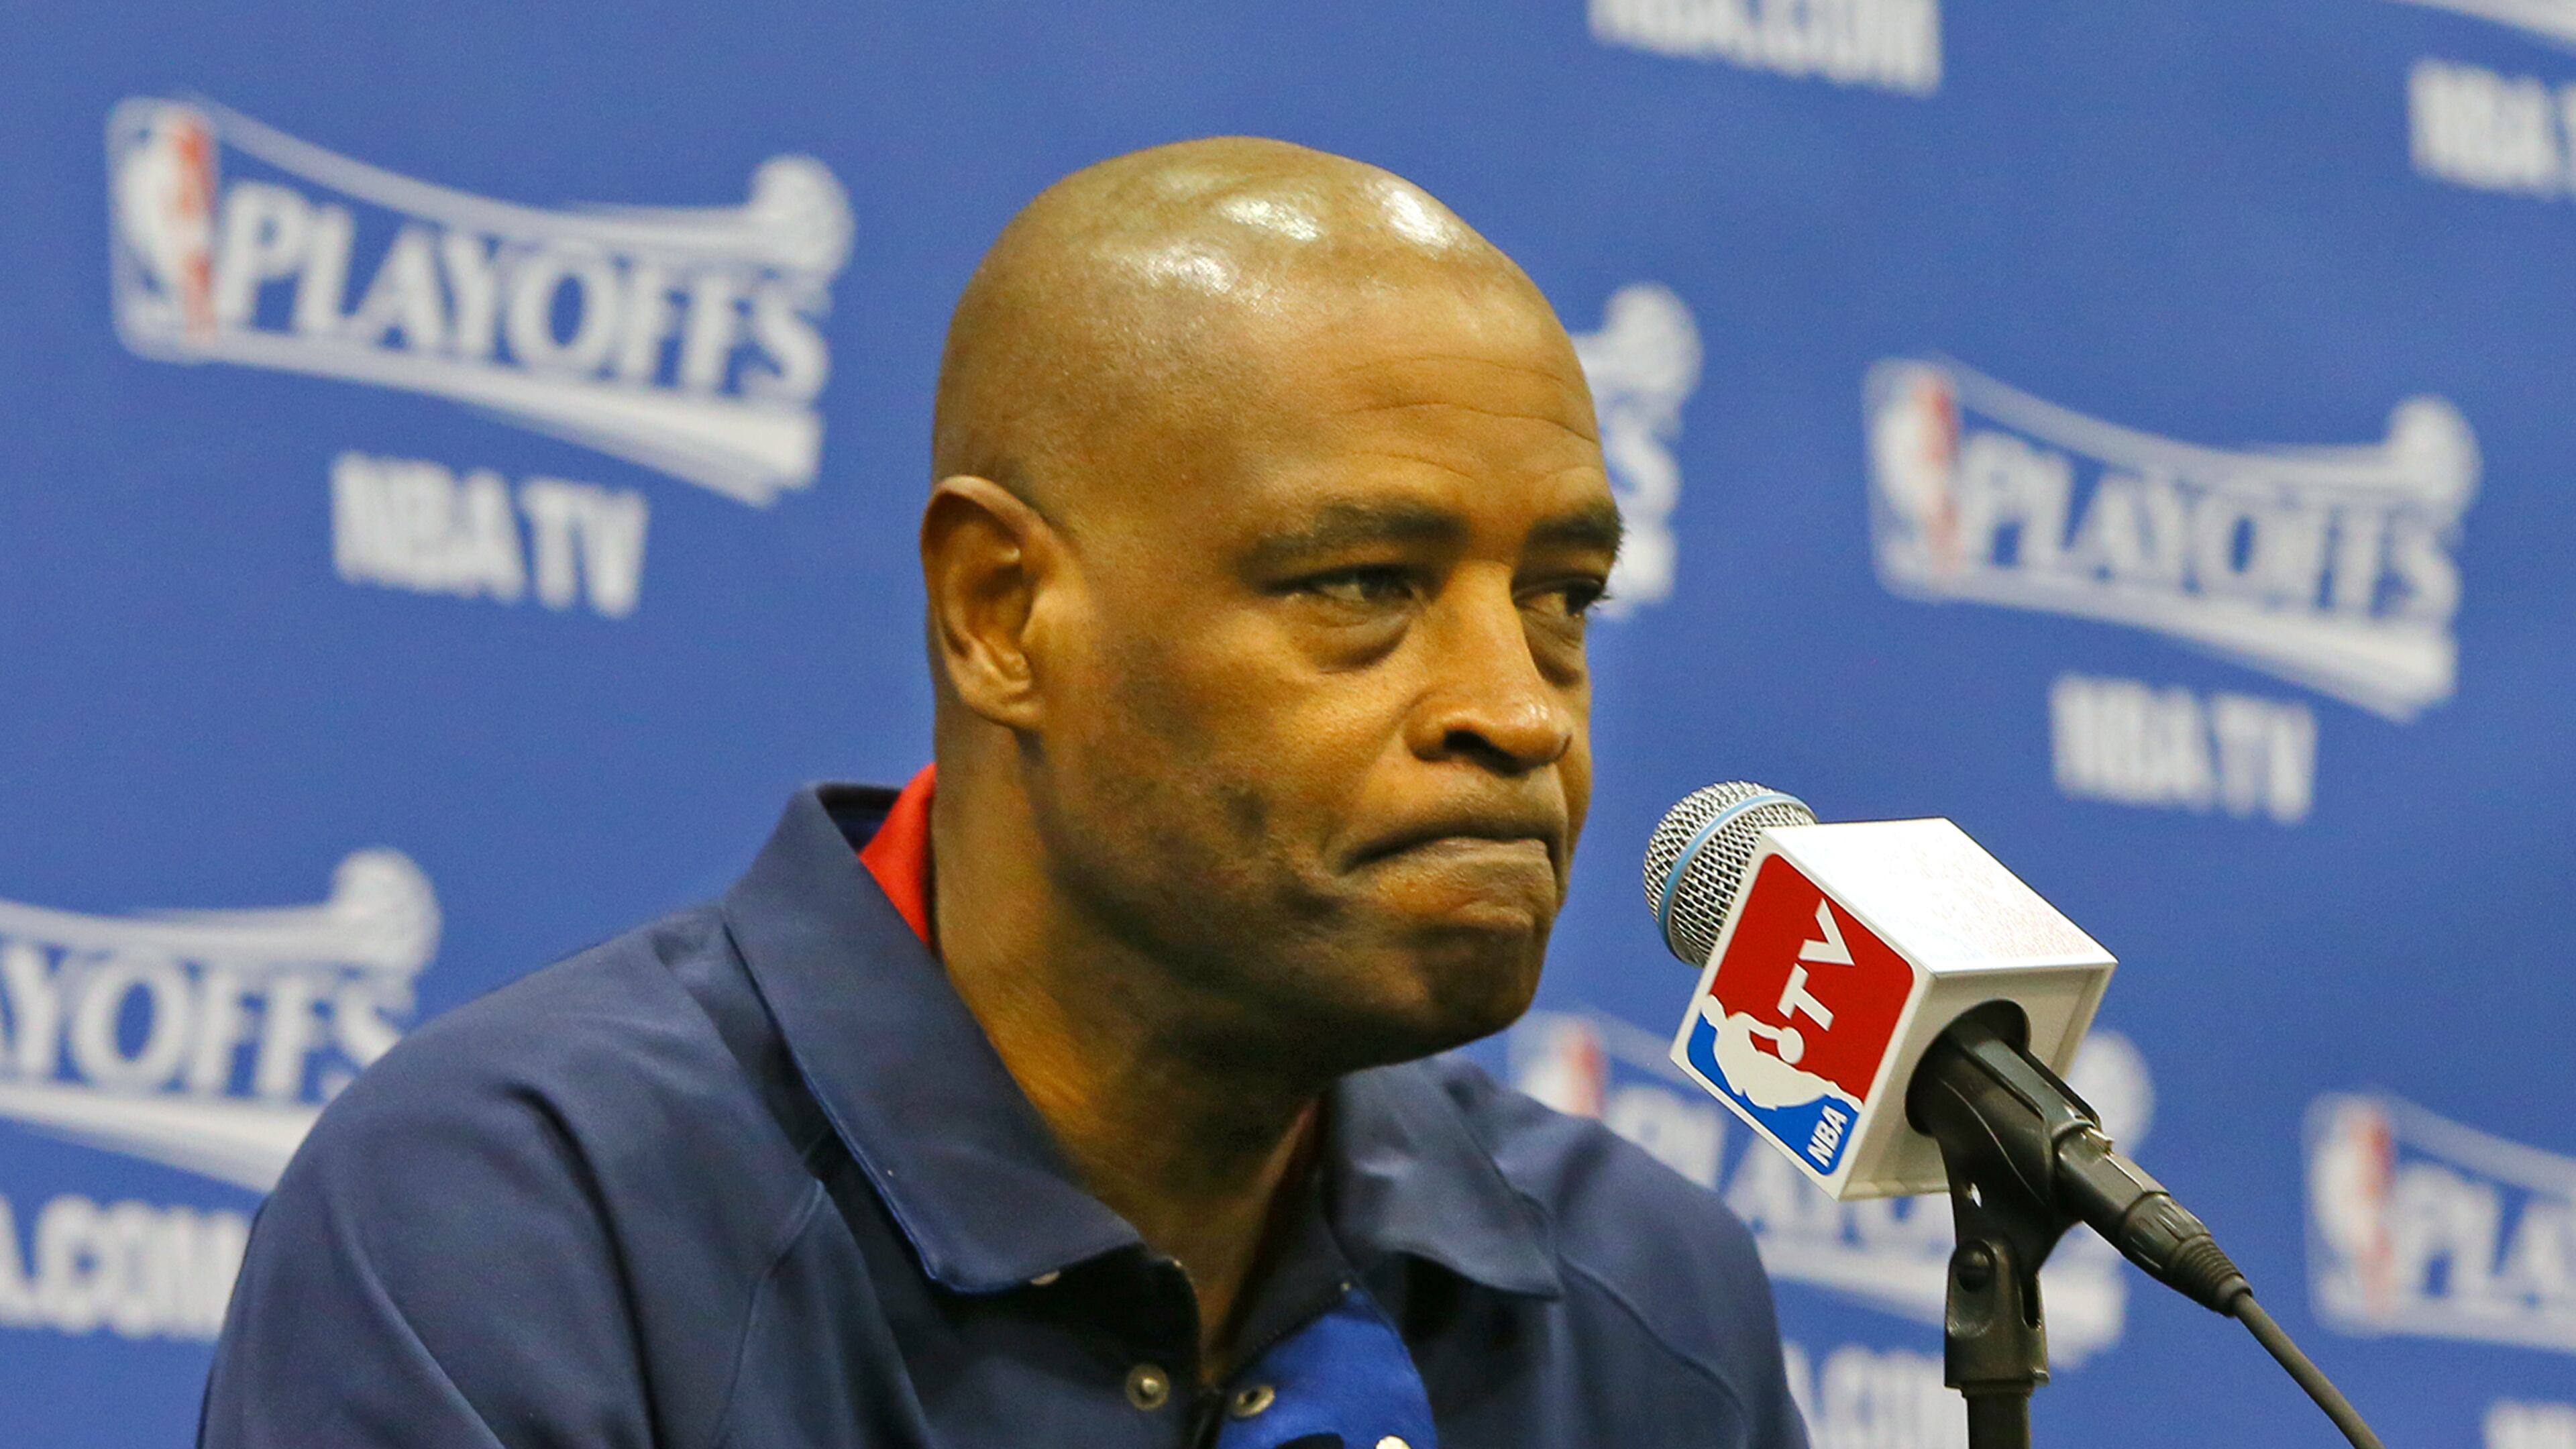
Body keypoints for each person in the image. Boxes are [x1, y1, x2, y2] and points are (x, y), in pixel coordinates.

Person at [200, 138, 1809, 1449]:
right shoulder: (521, 1216)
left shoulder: (1642, 1293)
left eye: (1562, 597)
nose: (1518, 712)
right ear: (1000, 613)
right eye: (1362, 584)